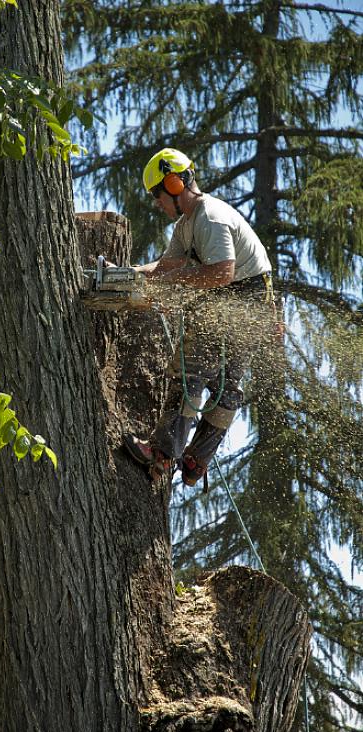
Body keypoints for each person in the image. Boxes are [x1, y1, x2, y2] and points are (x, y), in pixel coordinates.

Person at [123, 147, 276, 487]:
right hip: (247, 300)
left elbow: (222, 272)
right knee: (225, 387)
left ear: (175, 184)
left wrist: (173, 281)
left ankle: (163, 453)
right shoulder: (186, 225)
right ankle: (195, 460)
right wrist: (131, 274)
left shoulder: (210, 215)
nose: (156, 202)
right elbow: (166, 267)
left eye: (157, 194)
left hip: (244, 299)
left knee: (189, 367)